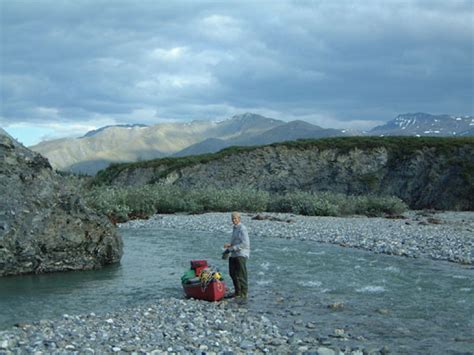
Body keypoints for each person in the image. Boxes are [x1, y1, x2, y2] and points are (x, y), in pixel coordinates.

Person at [224, 212, 250, 301]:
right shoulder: (235, 228)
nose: (234, 220)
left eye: (235, 218)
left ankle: (244, 293)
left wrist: (232, 248)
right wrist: (229, 245)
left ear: (239, 219)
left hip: (241, 254)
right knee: (232, 273)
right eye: (232, 219)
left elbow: (245, 244)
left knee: (241, 275)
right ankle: (237, 292)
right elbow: (236, 241)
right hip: (234, 253)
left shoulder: (242, 228)